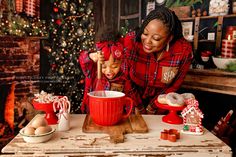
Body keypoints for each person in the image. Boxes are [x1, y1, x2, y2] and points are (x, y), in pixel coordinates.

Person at [121, 6, 193, 114]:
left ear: (169, 38)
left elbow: (174, 85)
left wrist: (153, 106)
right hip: (132, 102)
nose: (147, 41)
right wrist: (138, 107)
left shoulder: (183, 51)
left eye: (156, 38)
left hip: (162, 104)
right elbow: (125, 78)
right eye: (145, 33)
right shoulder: (131, 42)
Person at [79, 30, 142, 113]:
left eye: (115, 66)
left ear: (121, 63)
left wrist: (137, 109)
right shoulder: (93, 72)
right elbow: (83, 60)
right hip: (93, 113)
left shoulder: (123, 79)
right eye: (104, 66)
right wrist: (91, 56)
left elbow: (131, 98)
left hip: (114, 115)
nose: (109, 71)